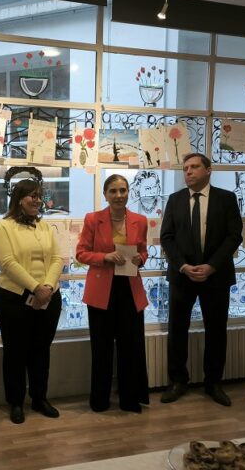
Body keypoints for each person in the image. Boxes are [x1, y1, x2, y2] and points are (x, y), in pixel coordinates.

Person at [160, 153, 242, 407]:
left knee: (216, 331)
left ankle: (213, 383)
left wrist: (211, 266)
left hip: (215, 276)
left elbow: (234, 235)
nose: (188, 172)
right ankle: (178, 381)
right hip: (182, 276)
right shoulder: (175, 200)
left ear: (208, 170)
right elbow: (167, 237)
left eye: (194, 167)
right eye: (185, 168)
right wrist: (183, 266)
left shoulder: (226, 199)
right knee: (177, 330)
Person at [0, 175, 63, 424]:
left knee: (41, 350)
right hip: (13, 298)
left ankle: (39, 398)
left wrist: (47, 286)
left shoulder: (44, 227)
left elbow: (57, 259)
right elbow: (7, 262)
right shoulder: (4, 226)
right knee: (15, 352)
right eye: (32, 196)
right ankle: (15, 402)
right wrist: (35, 287)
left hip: (48, 297)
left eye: (39, 196)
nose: (37, 200)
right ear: (19, 199)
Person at [76, 174, 150, 413]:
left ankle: (130, 400)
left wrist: (140, 259)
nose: (119, 195)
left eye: (123, 190)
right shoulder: (93, 219)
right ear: (105, 195)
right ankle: (99, 400)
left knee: (131, 347)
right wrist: (104, 257)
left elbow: (143, 252)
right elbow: (81, 253)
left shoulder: (140, 220)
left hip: (130, 289)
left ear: (128, 192)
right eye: (113, 191)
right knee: (102, 349)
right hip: (101, 291)